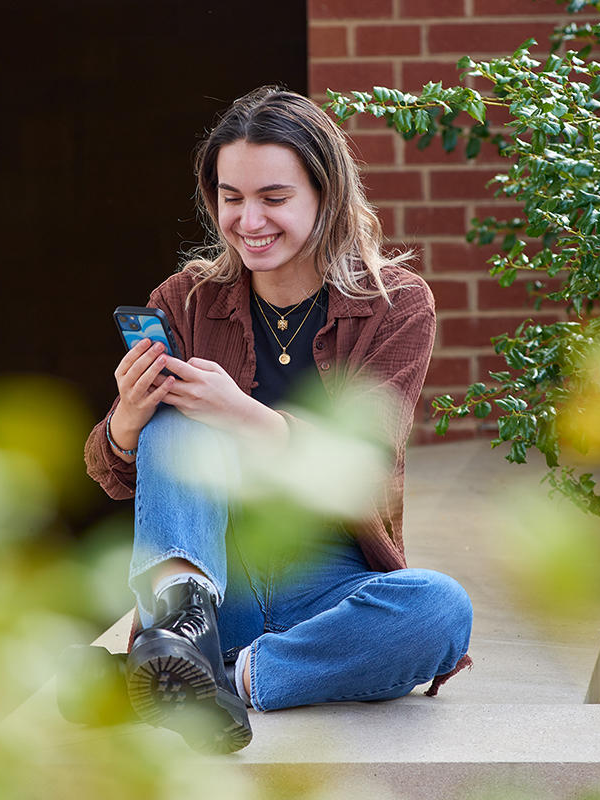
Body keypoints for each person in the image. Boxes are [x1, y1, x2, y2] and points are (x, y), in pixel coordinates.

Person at [78, 87, 473, 754]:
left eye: (274, 198)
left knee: (439, 610)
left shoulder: (395, 305)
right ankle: (181, 632)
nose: (248, 219)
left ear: (327, 195)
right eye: (231, 198)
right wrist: (128, 420)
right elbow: (111, 472)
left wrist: (244, 414)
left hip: (329, 586)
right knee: (178, 422)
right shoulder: (184, 300)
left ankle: (207, 678)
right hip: (213, 583)